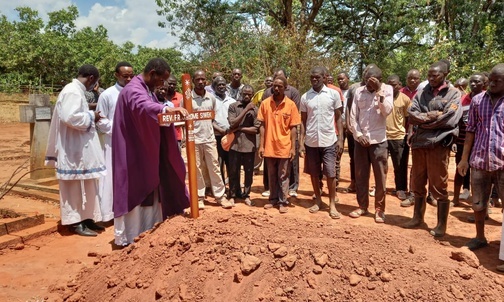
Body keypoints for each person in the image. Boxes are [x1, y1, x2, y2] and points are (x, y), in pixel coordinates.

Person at [112, 58, 189, 246]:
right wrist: (164, 108)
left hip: (145, 148)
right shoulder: (133, 89)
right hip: (134, 150)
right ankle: (131, 236)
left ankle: (148, 231)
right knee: (137, 187)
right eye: (161, 80)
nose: (162, 84)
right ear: (152, 73)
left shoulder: (147, 89)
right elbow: (143, 106)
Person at [45, 64, 106, 237]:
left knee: (87, 184)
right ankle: (74, 222)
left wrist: (89, 113)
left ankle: (87, 219)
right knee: (72, 186)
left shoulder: (76, 90)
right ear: (92, 78)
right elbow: (70, 117)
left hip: (80, 147)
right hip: (72, 147)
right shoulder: (72, 90)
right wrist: (91, 116)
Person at [404, 61, 462, 237]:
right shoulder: (422, 93)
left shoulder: (454, 94)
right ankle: (417, 218)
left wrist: (425, 121)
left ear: (445, 74)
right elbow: (411, 114)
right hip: (420, 143)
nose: (430, 78)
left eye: (434, 75)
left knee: (439, 185)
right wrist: (429, 117)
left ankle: (441, 226)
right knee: (417, 181)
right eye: (429, 75)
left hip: (439, 144)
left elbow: (449, 119)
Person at [457, 64, 504, 254]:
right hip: (480, 161)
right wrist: (464, 159)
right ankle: (479, 237)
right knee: (477, 203)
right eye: (490, 80)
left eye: (497, 81)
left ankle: (502, 248)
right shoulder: (477, 101)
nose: (492, 83)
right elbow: (470, 131)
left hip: (503, 163)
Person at [348, 66, 393, 223]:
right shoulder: (359, 91)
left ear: (379, 80)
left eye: (372, 81)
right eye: (366, 80)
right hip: (361, 141)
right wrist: (358, 135)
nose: (368, 84)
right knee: (361, 175)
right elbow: (353, 116)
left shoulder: (387, 90)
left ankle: (380, 209)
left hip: (378, 141)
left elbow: (386, 110)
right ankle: (362, 206)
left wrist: (379, 91)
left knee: (380, 177)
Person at [299, 67, 344, 219]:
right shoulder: (305, 97)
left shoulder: (333, 94)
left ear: (324, 77)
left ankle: (332, 204)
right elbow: (303, 121)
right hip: (311, 141)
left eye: (317, 77)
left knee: (330, 173)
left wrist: (341, 139)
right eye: (312, 77)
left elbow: (338, 118)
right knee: (314, 173)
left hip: (329, 140)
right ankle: (318, 200)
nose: (314, 79)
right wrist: (301, 142)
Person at [96, 61, 134, 223]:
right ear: (116, 75)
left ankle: (129, 210)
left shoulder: (135, 92)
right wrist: (119, 130)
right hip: (112, 142)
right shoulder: (107, 95)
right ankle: (109, 214)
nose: (129, 79)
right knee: (111, 177)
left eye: (131, 76)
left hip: (132, 142)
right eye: (125, 76)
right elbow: (101, 120)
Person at [190, 70, 233, 209]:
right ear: (193, 81)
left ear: (206, 81)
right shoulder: (187, 99)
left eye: (203, 79)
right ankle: (200, 197)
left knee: (214, 167)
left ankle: (220, 196)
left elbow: (212, 119)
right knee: (197, 169)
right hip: (194, 141)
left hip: (209, 139)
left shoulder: (211, 98)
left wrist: (223, 130)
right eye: (198, 79)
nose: (201, 82)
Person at [258, 76, 301, 213]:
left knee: (283, 175)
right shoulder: (265, 103)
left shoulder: (291, 105)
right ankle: (273, 199)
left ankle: (283, 201)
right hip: (269, 146)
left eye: (280, 86)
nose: (276, 88)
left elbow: (294, 127)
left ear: (285, 88)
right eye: (274, 86)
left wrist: (294, 147)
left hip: (284, 146)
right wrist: (261, 145)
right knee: (271, 174)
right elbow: (262, 126)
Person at [452, 73, 486, 206]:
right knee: (459, 169)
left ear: (484, 84)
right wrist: (454, 140)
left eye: (477, 82)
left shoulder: (488, 100)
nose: (473, 84)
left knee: (481, 174)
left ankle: (483, 203)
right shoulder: (462, 100)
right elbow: (455, 119)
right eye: (471, 82)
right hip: (462, 141)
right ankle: (455, 199)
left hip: (480, 142)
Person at [227, 85, 260, 206]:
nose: (247, 96)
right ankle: (233, 195)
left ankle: (246, 195)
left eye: (249, 94)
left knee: (248, 172)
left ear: (252, 95)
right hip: (234, 145)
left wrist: (241, 128)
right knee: (233, 171)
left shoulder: (256, 109)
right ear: (241, 93)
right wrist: (246, 110)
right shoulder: (233, 106)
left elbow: (256, 129)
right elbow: (232, 124)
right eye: (244, 94)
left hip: (249, 146)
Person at [385, 75, 412, 201]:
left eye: (394, 84)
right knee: (381, 165)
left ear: (399, 85)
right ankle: (380, 187)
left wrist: (409, 133)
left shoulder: (405, 99)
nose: (392, 87)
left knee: (400, 165)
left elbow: (410, 118)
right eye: (389, 84)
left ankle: (401, 189)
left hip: (398, 137)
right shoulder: (382, 97)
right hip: (382, 137)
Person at [212, 76, 236, 185]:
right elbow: (209, 120)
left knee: (231, 162)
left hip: (230, 136)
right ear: (214, 87)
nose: (221, 86)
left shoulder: (232, 101)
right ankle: (221, 188)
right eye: (218, 85)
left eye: (223, 84)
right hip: (216, 136)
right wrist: (221, 131)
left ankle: (232, 187)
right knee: (219, 162)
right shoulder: (211, 100)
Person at [166, 75, 184, 149]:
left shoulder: (181, 97)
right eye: (170, 83)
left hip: (177, 135)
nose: (172, 86)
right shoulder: (160, 96)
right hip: (163, 134)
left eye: (174, 84)